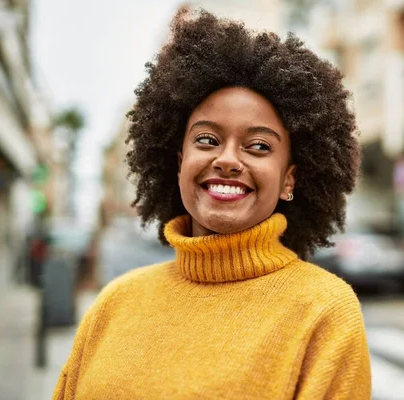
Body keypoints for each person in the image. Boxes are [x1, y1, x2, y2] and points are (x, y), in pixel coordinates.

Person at [52, 8, 371, 400]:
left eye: (258, 146)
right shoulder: (115, 303)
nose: (228, 159)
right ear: (179, 162)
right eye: (206, 140)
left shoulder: (324, 312)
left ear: (289, 178)